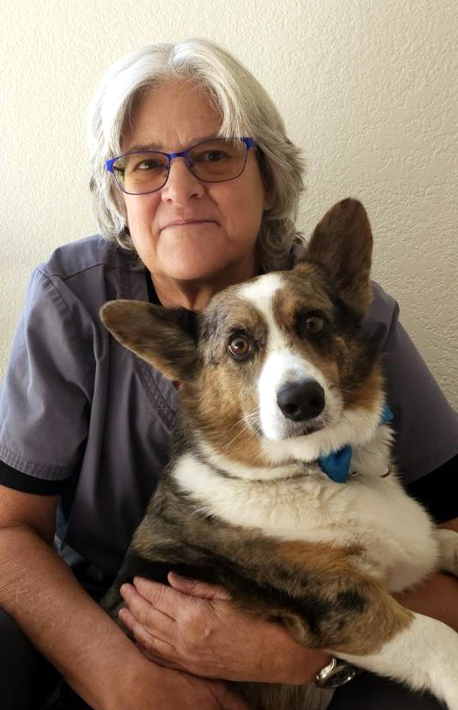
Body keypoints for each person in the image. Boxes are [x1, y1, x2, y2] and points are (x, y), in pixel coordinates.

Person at [0, 38, 457, 710]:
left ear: (266, 175)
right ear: (117, 190)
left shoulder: (337, 305)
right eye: (146, 165)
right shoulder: (73, 298)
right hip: (119, 614)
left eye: (213, 155)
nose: (180, 188)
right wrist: (121, 677)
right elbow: (9, 530)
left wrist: (299, 652)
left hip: (335, 624)